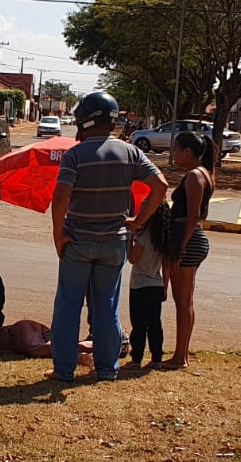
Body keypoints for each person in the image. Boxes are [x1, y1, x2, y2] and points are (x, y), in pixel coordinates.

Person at [49, 90, 166, 383]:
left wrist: (58, 233)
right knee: (106, 307)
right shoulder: (131, 152)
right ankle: (107, 369)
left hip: (77, 241)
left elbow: (61, 194)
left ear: (88, 120)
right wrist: (139, 221)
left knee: (68, 306)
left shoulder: (75, 154)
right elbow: (161, 185)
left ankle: (64, 372)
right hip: (114, 243)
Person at [160, 130, 215, 371]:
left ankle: (180, 357)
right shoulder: (206, 173)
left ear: (187, 152)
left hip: (188, 242)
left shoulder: (194, 176)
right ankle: (180, 354)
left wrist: (179, 249)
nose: (173, 154)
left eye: (175, 150)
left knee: (182, 302)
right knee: (185, 301)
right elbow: (203, 213)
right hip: (190, 240)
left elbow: (193, 216)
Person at [127, 217, 167, 368]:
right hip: (156, 283)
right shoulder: (162, 237)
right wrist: (165, 286)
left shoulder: (143, 237)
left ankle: (137, 358)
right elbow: (166, 264)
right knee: (155, 323)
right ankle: (157, 357)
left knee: (139, 324)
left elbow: (133, 259)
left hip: (140, 284)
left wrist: (130, 238)